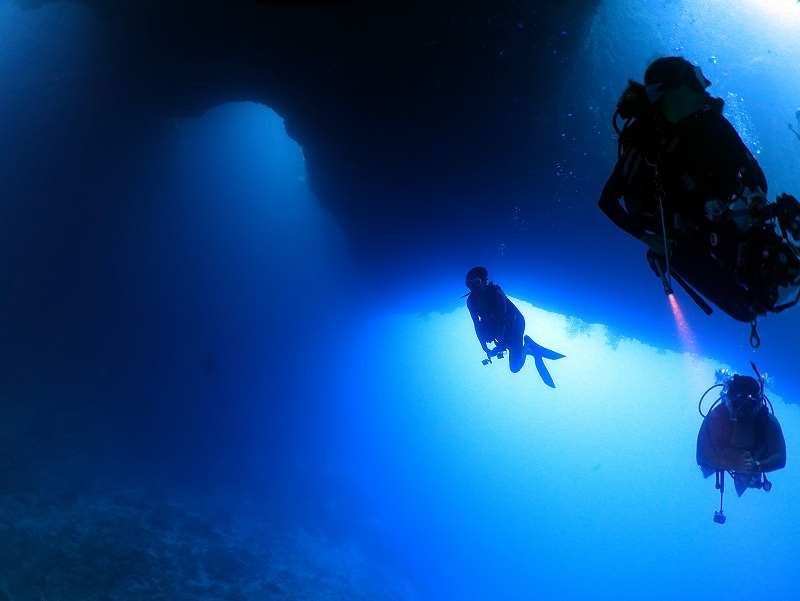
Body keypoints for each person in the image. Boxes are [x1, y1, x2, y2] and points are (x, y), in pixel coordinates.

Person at [598, 56, 800, 327]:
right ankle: (686, 264)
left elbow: (751, 171)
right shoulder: (643, 140)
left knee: (771, 251)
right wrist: (647, 238)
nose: (706, 84)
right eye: (695, 77)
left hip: (715, 211)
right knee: (741, 306)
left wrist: (756, 200)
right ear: (673, 90)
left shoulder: (711, 122)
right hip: (678, 230)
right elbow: (607, 201)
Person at [464, 266, 564, 388]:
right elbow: (476, 324)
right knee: (514, 365)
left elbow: (502, 320)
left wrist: (500, 345)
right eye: (469, 284)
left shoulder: (497, 294)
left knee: (515, 368)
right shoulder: (471, 301)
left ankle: (529, 345)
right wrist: (483, 346)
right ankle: (528, 350)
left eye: (476, 282)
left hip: (514, 327)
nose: (473, 287)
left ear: (483, 281)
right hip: (497, 330)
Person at [697, 371, 786, 497]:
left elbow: (780, 458)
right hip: (723, 455)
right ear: (728, 402)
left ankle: (747, 475)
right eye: (738, 404)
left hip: (753, 458)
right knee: (707, 469)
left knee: (750, 480)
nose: (744, 411)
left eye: (750, 404)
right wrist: (734, 465)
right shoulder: (715, 418)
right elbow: (702, 455)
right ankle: (744, 473)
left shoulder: (767, 422)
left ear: (759, 403)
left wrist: (757, 466)